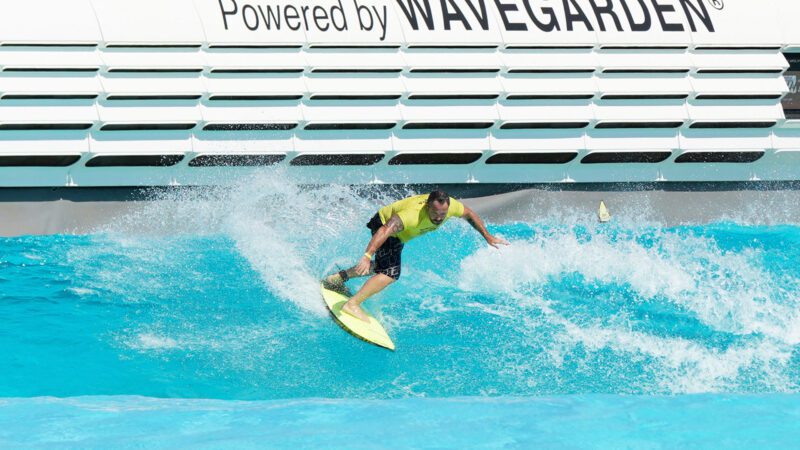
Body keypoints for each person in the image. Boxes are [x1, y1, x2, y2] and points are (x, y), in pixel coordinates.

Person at [323, 190, 509, 321]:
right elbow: (385, 230)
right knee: (389, 273)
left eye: (442, 214)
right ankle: (352, 304)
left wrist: (487, 235)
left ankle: (337, 279)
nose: (439, 218)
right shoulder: (411, 215)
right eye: (435, 214)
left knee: (381, 267)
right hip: (385, 226)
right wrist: (367, 254)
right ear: (427, 207)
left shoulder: (450, 206)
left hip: (398, 235)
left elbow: (469, 213)